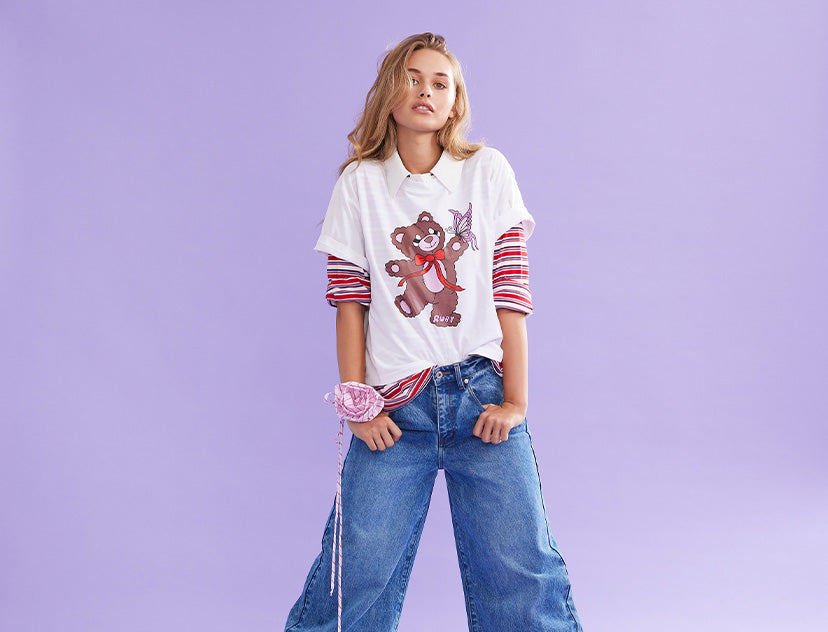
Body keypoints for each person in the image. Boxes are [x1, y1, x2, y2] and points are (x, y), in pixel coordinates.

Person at [284, 32, 584, 632]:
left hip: (481, 397)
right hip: (396, 408)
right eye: (413, 79)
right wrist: (358, 405)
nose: (426, 91)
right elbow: (349, 303)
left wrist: (516, 401)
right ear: (389, 94)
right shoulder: (360, 183)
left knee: (522, 566)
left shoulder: (487, 171)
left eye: (440, 82)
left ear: (455, 102)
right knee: (357, 565)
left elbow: (511, 292)